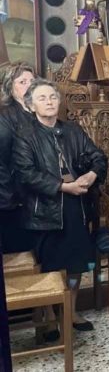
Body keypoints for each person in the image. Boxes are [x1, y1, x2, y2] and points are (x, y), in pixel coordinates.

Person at [13, 79, 107, 335]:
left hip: (77, 206)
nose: (49, 102)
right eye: (42, 98)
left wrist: (91, 175)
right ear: (31, 105)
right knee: (51, 265)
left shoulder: (72, 130)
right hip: (45, 210)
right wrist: (62, 187)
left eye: (53, 97)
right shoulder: (25, 136)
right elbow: (26, 174)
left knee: (76, 264)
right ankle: (50, 315)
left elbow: (98, 156)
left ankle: (71, 310)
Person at [0, 62, 36, 253]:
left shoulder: (38, 112)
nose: (30, 85)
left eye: (32, 80)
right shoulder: (5, 117)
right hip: (14, 200)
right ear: (10, 87)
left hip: (36, 194)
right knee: (21, 254)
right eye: (22, 82)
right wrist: (11, 198)